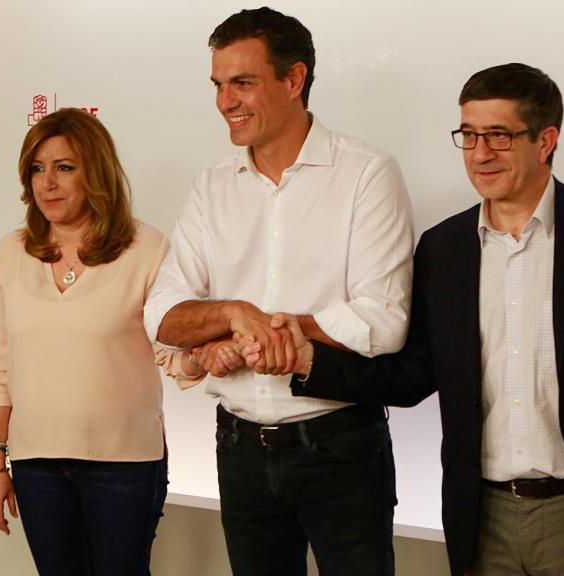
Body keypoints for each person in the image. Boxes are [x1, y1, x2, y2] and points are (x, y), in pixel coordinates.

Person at [249, 63, 564, 575]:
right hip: (481, 519)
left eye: (499, 136)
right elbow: (414, 374)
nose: (480, 153)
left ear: (546, 139)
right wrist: (310, 358)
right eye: (468, 136)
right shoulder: (444, 248)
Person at [143, 7, 414, 576]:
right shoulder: (211, 186)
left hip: (342, 447)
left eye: (243, 82)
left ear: (294, 80)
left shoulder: (366, 173)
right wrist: (234, 312)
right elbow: (162, 316)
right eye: (218, 85)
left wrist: (277, 329)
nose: (225, 102)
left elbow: (383, 320)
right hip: (239, 450)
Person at [0, 108, 170, 576]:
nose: (48, 183)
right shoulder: (11, 250)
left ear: (97, 173)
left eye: (64, 168)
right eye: (37, 169)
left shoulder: (149, 248)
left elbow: (174, 349)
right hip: (36, 464)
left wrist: (219, 349)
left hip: (124, 463)